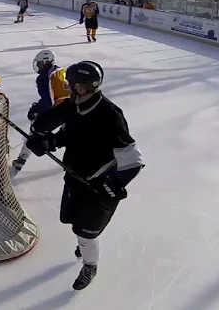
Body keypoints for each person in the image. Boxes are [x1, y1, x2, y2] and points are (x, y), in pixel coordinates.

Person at [24, 61, 144, 290]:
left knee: (87, 233)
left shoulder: (109, 115)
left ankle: (90, 265)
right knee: (73, 222)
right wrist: (48, 141)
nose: (67, 89)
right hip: (75, 177)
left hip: (99, 185)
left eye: (71, 85)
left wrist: (114, 184)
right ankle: (85, 238)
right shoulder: (74, 107)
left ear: (83, 87)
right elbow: (68, 134)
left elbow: (133, 159)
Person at [12, 49, 69, 172]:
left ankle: (22, 159)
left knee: (35, 131)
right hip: (74, 107)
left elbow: (49, 102)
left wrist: (35, 109)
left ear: (46, 62)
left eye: (39, 64)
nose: (37, 66)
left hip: (60, 110)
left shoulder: (44, 77)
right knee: (70, 134)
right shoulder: (61, 70)